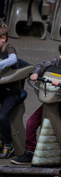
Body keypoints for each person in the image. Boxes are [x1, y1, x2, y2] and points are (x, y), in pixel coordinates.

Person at [11, 38, 61, 168]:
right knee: (31, 123)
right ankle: (30, 151)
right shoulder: (56, 61)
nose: (60, 57)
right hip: (50, 103)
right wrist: (35, 73)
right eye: (60, 54)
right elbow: (41, 65)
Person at [0, 19, 22, 158]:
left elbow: (13, 59)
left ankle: (9, 144)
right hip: (1, 89)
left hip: (12, 92)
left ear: (3, 38)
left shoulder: (8, 48)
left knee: (2, 116)